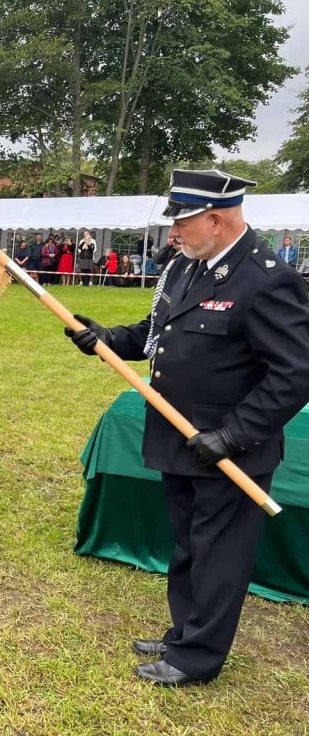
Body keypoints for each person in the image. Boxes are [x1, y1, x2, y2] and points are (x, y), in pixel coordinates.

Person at [64, 169, 309, 686]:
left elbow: (296, 372)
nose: (173, 234)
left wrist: (234, 435)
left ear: (216, 220)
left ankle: (197, 657)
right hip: (181, 440)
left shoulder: (266, 279)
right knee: (189, 546)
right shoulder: (187, 267)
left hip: (230, 451)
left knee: (220, 555)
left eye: (182, 223)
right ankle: (185, 633)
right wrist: (106, 338)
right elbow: (157, 334)